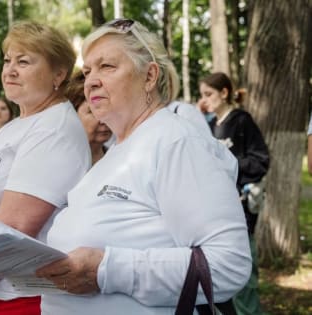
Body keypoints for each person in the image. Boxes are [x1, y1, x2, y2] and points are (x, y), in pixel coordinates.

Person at [35, 18, 251, 315]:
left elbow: (228, 264)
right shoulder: (113, 155)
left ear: (149, 76)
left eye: (107, 67)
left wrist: (107, 271)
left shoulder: (175, 140)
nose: (91, 81)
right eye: (87, 72)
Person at [0, 21, 91, 315]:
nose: (9, 69)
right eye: (7, 60)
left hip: (16, 298)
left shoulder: (53, 128)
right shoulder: (17, 124)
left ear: (58, 74)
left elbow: (12, 231)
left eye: (23, 61)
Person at [198, 72, 270, 315]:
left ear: (224, 92)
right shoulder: (208, 125)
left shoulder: (241, 121)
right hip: (214, 215)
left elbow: (261, 161)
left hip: (241, 211)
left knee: (244, 281)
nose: (204, 100)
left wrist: (227, 163)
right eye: (201, 95)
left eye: (208, 94)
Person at [66, 71, 112, 164]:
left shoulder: (117, 159)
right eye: (93, 111)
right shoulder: (62, 161)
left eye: (108, 109)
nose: (103, 119)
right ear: (73, 114)